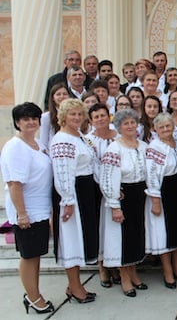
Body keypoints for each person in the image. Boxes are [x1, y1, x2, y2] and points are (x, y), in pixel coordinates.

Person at [1, 102, 54, 314]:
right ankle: (33, 298)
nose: (31, 122)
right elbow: (14, 184)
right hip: (27, 211)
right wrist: (22, 214)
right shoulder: (16, 147)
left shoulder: (37, 144)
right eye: (25, 119)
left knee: (36, 255)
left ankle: (34, 292)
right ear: (17, 122)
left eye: (34, 118)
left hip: (40, 210)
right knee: (29, 256)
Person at [50, 98, 98, 303]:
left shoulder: (79, 136)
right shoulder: (62, 140)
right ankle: (76, 288)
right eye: (72, 114)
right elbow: (63, 172)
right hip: (71, 192)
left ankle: (74, 285)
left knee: (80, 239)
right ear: (63, 116)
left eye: (80, 114)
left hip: (85, 189)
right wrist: (67, 200)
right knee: (71, 239)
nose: (77, 118)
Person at [100, 109, 149, 297]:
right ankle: (125, 278)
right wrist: (114, 205)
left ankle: (134, 273)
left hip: (139, 195)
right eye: (126, 123)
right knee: (124, 238)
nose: (130, 126)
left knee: (137, 235)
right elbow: (108, 178)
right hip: (123, 195)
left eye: (132, 123)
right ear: (119, 127)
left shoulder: (143, 146)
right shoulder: (114, 149)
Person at [145, 113, 177, 289]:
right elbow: (151, 174)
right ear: (155, 129)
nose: (165, 129)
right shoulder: (154, 147)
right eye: (161, 127)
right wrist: (156, 199)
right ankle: (168, 271)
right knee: (164, 232)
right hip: (164, 190)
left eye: (168, 126)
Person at [84, 103, 120, 288]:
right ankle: (102, 266)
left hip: (120, 188)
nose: (100, 119)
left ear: (109, 116)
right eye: (96, 117)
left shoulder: (118, 136)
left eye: (103, 115)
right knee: (100, 227)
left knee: (115, 228)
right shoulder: (88, 140)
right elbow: (94, 166)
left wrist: (117, 186)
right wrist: (107, 186)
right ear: (90, 120)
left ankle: (115, 264)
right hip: (98, 189)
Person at [40, 83, 70, 149]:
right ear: (53, 97)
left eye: (65, 94)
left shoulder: (74, 114)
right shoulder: (46, 117)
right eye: (58, 94)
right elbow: (43, 141)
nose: (62, 97)